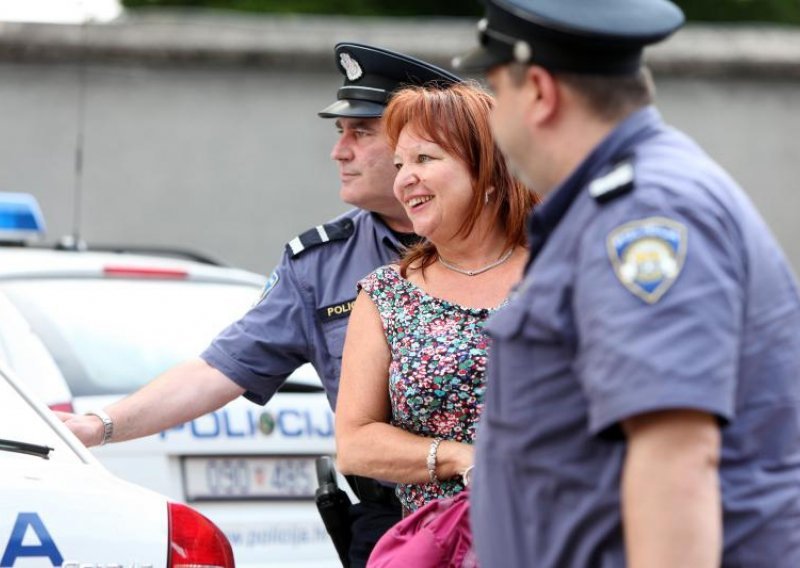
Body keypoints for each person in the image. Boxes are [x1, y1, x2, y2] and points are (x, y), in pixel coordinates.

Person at [57, 42, 461, 567]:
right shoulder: (322, 264)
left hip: (515, 511)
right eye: (339, 133)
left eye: (360, 133)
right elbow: (219, 369)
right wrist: (101, 425)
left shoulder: (520, 246)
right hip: (396, 529)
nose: (339, 152)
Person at [453, 0, 800, 566]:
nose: (493, 120)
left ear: (539, 91)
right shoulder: (614, 204)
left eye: (497, 91)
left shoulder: (643, 214)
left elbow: (676, 458)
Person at [334, 82, 534, 518]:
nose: (405, 178)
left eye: (425, 158)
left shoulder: (564, 275)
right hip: (442, 543)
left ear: (489, 172)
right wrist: (460, 458)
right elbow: (354, 444)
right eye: (400, 163)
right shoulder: (387, 294)